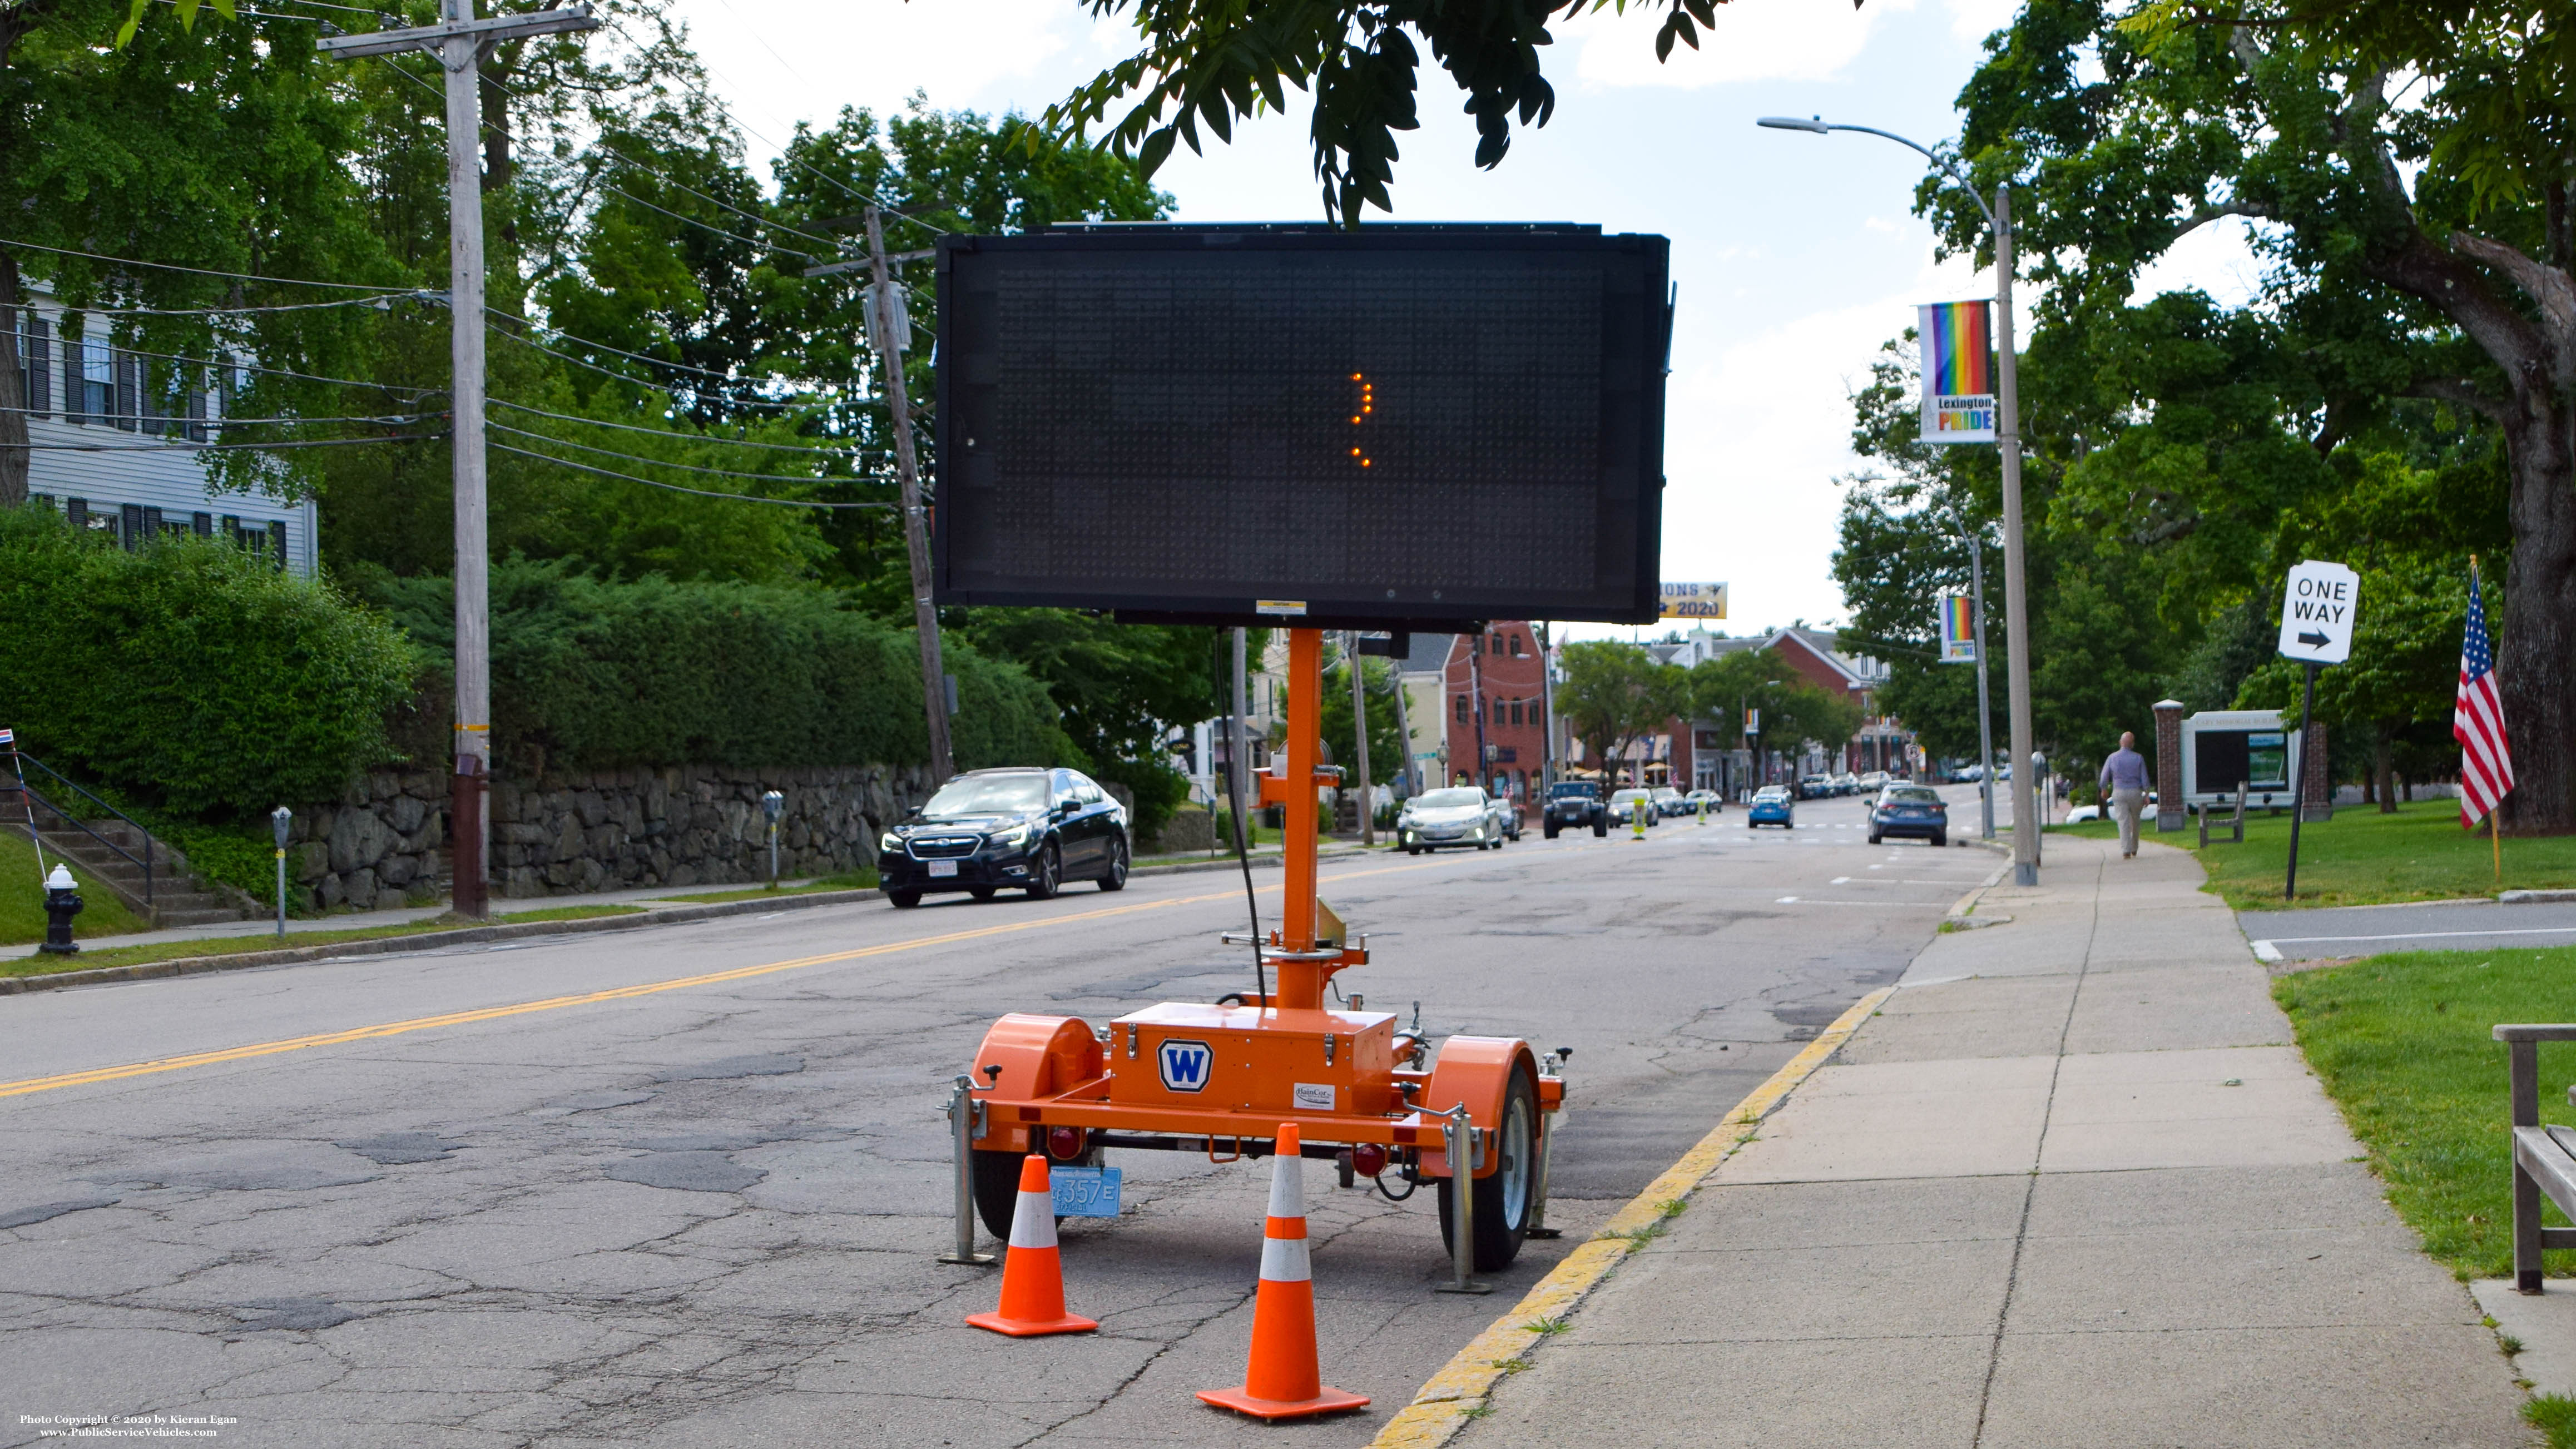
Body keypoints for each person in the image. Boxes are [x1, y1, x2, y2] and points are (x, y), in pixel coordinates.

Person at [2099, 731, 2149, 859]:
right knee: (2136, 821)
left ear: (2121, 743)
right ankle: (2134, 847)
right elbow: (2144, 778)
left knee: (2123, 821)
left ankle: (2126, 850)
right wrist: (2147, 794)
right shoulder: (2138, 758)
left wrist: (2104, 789)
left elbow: (2104, 776)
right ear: (2132, 744)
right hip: (2135, 792)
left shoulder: (2112, 758)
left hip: (2119, 791)